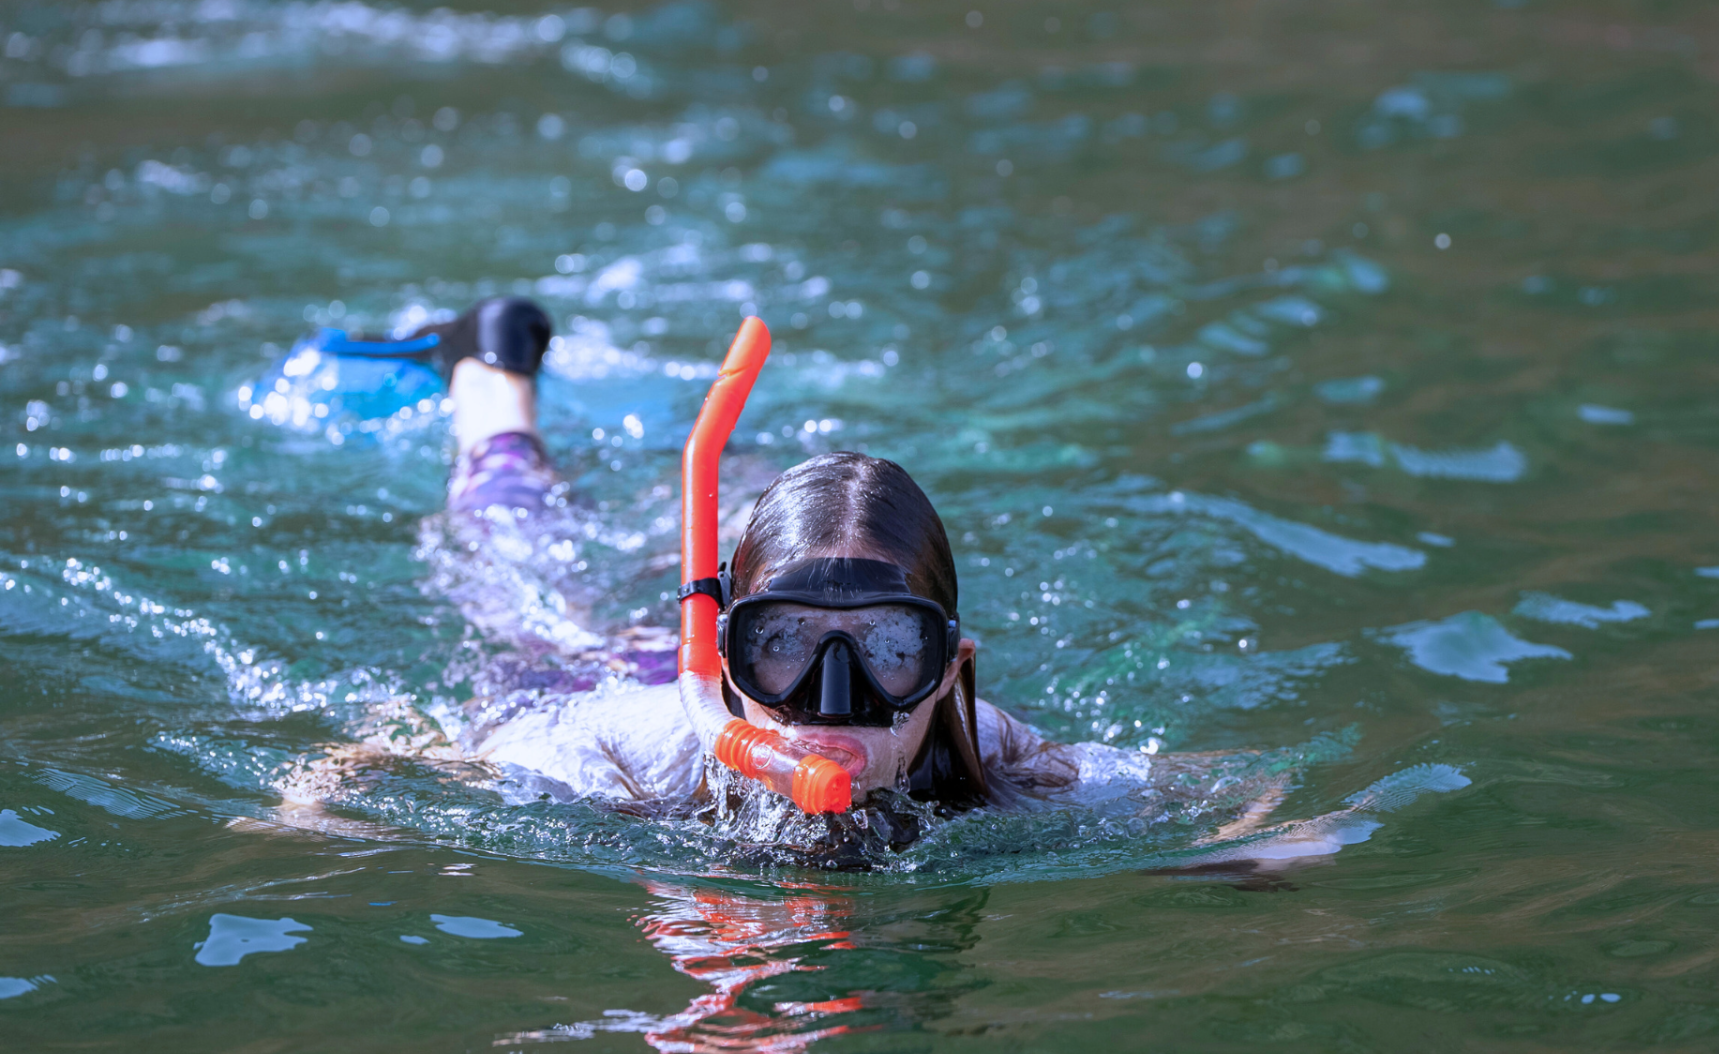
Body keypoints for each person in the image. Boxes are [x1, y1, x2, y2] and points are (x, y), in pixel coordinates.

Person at [280, 298, 1292, 866]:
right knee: (513, 551)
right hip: (581, 680)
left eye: (892, 651)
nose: (834, 702)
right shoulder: (620, 759)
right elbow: (383, 754)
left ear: (949, 669)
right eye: (785, 644)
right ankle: (487, 363)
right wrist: (307, 810)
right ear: (727, 654)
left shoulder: (989, 755)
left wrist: (1260, 852)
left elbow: (1243, 790)